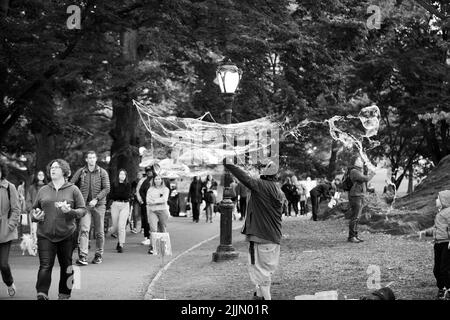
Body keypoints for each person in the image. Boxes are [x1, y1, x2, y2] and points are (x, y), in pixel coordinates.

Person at [225, 162, 285, 300]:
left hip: (260, 238)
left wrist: (229, 164)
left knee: (261, 274)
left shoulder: (261, 185)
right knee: (265, 273)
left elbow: (244, 178)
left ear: (264, 174)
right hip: (273, 239)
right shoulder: (277, 190)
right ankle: (258, 297)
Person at [31, 159, 86, 300]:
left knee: (66, 266)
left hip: (67, 234)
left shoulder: (73, 189)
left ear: (64, 171)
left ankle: (64, 294)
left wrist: (70, 211)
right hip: (45, 234)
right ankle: (42, 294)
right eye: (52, 167)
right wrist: (35, 216)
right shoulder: (43, 190)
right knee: (45, 265)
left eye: (56, 167)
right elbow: (34, 210)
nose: (53, 169)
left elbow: (82, 210)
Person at [70, 151, 110, 266]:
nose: (92, 160)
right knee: (84, 229)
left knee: (99, 232)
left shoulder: (102, 172)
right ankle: (83, 256)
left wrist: (96, 199)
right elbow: (71, 184)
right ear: (86, 160)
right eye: (89, 158)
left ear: (96, 159)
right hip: (85, 206)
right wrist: (77, 198)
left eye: (93, 157)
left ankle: (98, 254)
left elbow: (107, 188)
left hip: (99, 205)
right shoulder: (81, 171)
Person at [418, 190, 450, 300]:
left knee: (444, 269)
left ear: (444, 200)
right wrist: (425, 232)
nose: (436, 200)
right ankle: (441, 288)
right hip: (438, 244)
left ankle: (448, 289)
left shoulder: (449, 212)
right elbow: (436, 228)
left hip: (447, 244)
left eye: (438, 198)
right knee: (437, 269)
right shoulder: (440, 213)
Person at [0, 160, 21, 297]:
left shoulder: (9, 187)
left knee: (3, 264)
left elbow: (16, 209)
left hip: (4, 230)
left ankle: (9, 282)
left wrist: (10, 225)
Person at [347, 157, 376, 243]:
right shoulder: (354, 171)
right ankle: (351, 237)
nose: (362, 161)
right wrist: (372, 174)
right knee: (354, 217)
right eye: (359, 160)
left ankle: (355, 235)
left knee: (357, 217)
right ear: (355, 162)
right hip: (355, 196)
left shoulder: (359, 171)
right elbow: (365, 179)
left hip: (359, 196)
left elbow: (363, 181)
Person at [108, 169, 132, 253]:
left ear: (126, 176)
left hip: (125, 205)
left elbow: (127, 196)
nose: (122, 176)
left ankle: (121, 244)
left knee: (121, 226)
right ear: (118, 175)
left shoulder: (128, 185)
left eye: (124, 174)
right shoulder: (114, 184)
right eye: (121, 174)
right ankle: (111, 231)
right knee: (115, 226)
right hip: (115, 205)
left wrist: (118, 195)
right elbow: (111, 195)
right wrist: (119, 195)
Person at [146, 174, 170, 254]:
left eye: (159, 179)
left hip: (163, 210)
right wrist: (158, 200)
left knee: (162, 228)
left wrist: (154, 200)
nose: (157, 180)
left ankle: (163, 246)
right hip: (152, 211)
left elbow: (164, 199)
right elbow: (148, 200)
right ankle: (153, 247)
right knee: (153, 229)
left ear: (162, 180)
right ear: (153, 180)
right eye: (156, 179)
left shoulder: (165, 189)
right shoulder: (150, 189)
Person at [136, 166, 156, 245]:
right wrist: (141, 201)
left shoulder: (156, 179)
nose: (149, 172)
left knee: (154, 221)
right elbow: (139, 191)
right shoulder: (143, 181)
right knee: (145, 220)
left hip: (155, 204)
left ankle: (155, 236)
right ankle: (147, 237)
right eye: (147, 171)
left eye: (150, 171)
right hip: (145, 204)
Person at [26, 171, 47, 242]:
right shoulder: (32, 188)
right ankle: (34, 248)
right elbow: (28, 200)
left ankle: (42, 246)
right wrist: (31, 209)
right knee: (33, 230)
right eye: (39, 174)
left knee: (44, 230)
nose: (41, 176)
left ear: (44, 176)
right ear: (36, 176)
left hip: (45, 212)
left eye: (42, 174)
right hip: (33, 212)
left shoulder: (47, 187)